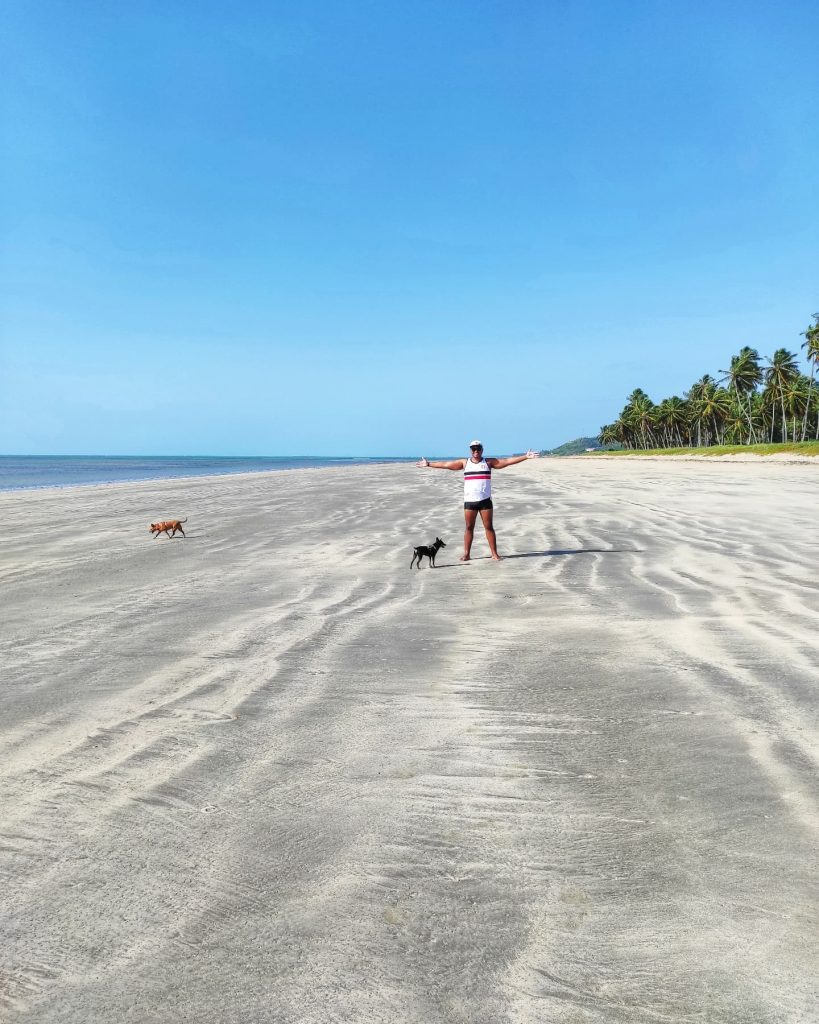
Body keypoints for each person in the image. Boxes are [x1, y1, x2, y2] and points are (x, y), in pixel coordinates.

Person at [416, 440, 540, 561]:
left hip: (485, 501)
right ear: (470, 450)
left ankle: (494, 554)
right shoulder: (465, 463)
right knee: (469, 527)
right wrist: (429, 464)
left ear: (482, 450)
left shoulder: (488, 462)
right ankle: (466, 554)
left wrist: (525, 457)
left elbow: (506, 461)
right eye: (473, 449)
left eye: (478, 448)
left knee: (489, 527)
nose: (476, 451)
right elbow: (446, 465)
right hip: (470, 502)